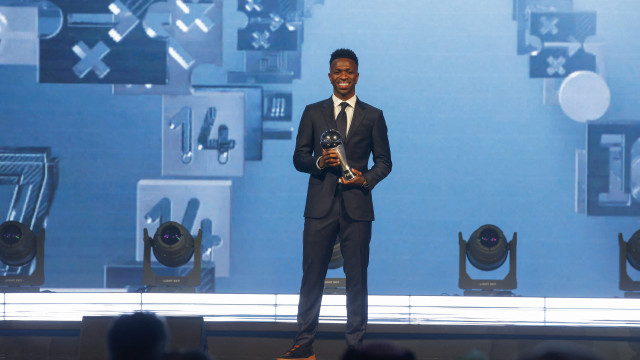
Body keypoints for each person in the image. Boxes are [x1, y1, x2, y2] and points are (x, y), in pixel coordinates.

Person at [278, 48, 392, 360]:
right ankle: (304, 344)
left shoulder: (374, 116)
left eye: (349, 72)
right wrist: (319, 160)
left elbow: (384, 162)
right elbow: (299, 157)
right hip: (319, 207)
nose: (344, 77)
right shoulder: (313, 112)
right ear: (330, 76)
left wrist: (364, 179)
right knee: (311, 275)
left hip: (357, 206)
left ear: (357, 75)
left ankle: (356, 347)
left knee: (357, 278)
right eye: (338, 72)